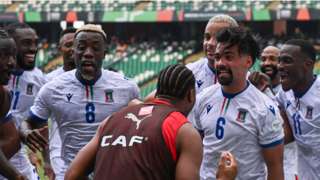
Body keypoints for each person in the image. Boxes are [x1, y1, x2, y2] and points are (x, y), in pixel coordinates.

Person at [65, 64, 237, 180]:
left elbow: (71, 175)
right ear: (191, 95)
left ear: (158, 92)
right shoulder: (183, 130)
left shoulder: (112, 120)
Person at [20, 24, 140, 179]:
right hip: (70, 171)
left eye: (95, 48)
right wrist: (27, 134)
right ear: (73, 51)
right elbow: (28, 122)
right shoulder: (53, 89)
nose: (88, 53)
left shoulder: (126, 87)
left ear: (105, 53)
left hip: (110, 172)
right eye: (81, 47)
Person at [191, 27, 284, 180]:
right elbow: (195, 152)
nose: (220, 63)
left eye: (228, 57)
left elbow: (275, 167)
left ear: (248, 61)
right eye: (218, 57)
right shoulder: (203, 98)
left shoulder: (265, 108)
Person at [144, 14, 238, 102]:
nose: (209, 43)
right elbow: (150, 100)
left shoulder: (245, 79)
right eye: (207, 37)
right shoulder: (187, 73)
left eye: (218, 38)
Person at [2, 22, 45, 180]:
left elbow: (41, 123)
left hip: (18, 155)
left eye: (35, 42)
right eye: (26, 43)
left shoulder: (39, 80)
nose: (33, 48)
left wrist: (36, 154)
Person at [276, 39, 320, 179]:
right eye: (280, 61)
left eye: (287, 61)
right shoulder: (284, 94)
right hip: (304, 173)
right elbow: (286, 135)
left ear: (307, 65)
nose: (280, 66)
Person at [255, 45, 298, 180]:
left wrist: (268, 91)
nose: (267, 63)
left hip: (289, 165)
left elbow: (288, 134)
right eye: (263, 59)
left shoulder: (291, 92)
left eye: (273, 59)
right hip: (263, 166)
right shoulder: (254, 91)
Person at [45, 27, 76, 179]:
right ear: (60, 49)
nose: (73, 49)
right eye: (68, 45)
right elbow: (40, 122)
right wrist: (45, 160)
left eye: (77, 44)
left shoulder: (94, 80)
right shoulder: (49, 81)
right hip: (59, 154)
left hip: (90, 151)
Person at [0, 29, 26, 180]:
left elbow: (12, 140)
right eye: (4, 56)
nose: (11, 63)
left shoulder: (3, 95)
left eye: (13, 56)